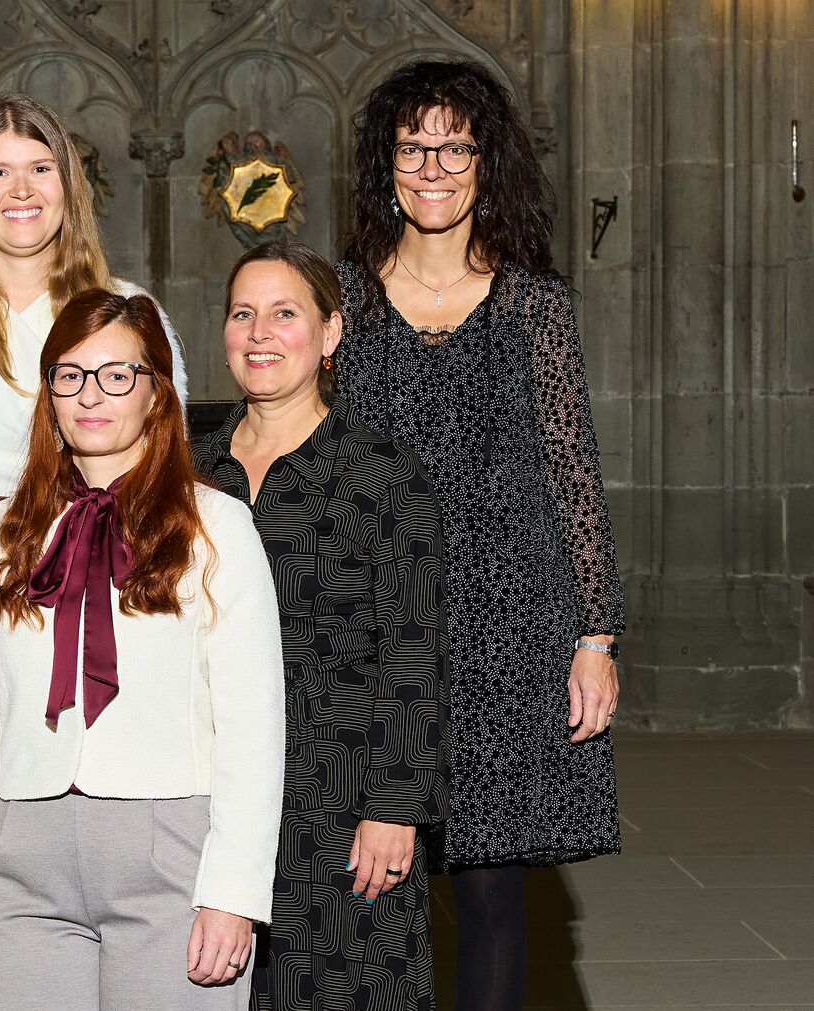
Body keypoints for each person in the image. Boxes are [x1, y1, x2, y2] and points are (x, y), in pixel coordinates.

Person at [335, 59, 625, 1011]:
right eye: (413, 147)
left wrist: (594, 637)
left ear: (485, 163)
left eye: (454, 147)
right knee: (379, 892)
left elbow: (572, 471)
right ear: (386, 163)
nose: (432, 166)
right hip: (385, 632)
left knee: (496, 897)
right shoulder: (346, 307)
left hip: (512, 636)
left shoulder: (535, 304)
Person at [0, 290, 285, 1010]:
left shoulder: (217, 527)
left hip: (169, 855)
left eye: (118, 374)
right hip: (21, 861)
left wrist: (234, 891)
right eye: (71, 374)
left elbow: (253, 724)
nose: (92, 394)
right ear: (48, 391)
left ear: (156, 393)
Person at [192, 241, 447, 1010]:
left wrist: (395, 806)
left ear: (330, 334)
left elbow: (415, 649)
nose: (260, 332)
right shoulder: (190, 474)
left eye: (284, 313)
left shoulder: (383, 473)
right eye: (243, 314)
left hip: (341, 796)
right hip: (216, 796)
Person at [0, 93, 188, 546]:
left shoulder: (127, 308)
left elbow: (166, 451)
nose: (21, 190)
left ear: (68, 185)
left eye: (41, 168)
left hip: (105, 537)